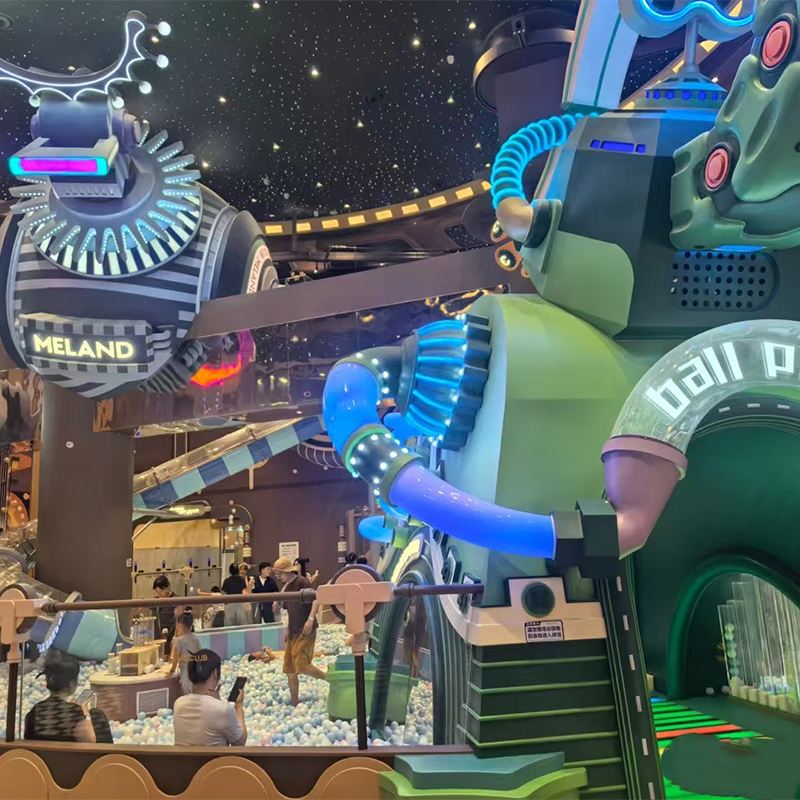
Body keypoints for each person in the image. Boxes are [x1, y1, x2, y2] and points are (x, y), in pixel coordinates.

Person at [24, 650, 113, 743]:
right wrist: (85, 712)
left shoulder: (35, 711)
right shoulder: (74, 712)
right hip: (70, 753)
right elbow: (90, 741)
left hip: (40, 753)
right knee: (97, 714)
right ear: (72, 683)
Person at [272, 556, 327, 706]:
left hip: (305, 630)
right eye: (277, 573)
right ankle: (294, 702)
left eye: (280, 573)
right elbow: (291, 610)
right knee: (289, 669)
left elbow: (316, 599)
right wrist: (288, 628)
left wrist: (311, 619)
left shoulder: (302, 582)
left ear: (288, 571)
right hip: (293, 630)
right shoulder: (287, 586)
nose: (278, 576)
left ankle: (330, 679)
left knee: (302, 665)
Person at [173, 649, 247, 746]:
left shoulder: (178, 704)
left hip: (184, 757)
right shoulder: (224, 710)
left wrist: (218, 702)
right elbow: (240, 743)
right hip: (214, 757)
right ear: (215, 673)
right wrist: (238, 706)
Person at [166, 611, 201, 695]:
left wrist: (171, 671)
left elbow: (175, 659)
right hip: (195, 668)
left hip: (186, 669)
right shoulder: (196, 637)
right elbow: (200, 653)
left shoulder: (179, 641)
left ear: (180, 625)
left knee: (188, 693)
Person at [152, 575, 179, 652]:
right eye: (157, 592)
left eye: (161, 592)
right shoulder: (155, 602)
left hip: (172, 638)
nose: (159, 595)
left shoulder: (176, 600)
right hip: (158, 640)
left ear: (167, 588)